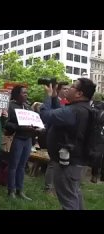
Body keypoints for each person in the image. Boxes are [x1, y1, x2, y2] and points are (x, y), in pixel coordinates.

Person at [40, 78, 96, 210]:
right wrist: (54, 97)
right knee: (74, 194)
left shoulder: (74, 111)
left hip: (67, 164)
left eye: (72, 87)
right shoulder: (83, 109)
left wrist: (47, 97)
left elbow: (45, 115)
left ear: (79, 94)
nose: (69, 88)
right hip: (77, 161)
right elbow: (60, 113)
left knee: (68, 201)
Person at [5, 85, 37, 200]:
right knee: (13, 165)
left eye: (26, 93)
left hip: (27, 139)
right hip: (17, 138)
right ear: (17, 94)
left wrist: (36, 128)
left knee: (22, 166)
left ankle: (20, 189)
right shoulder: (10, 106)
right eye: (24, 93)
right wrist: (19, 127)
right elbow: (6, 123)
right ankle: (11, 190)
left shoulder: (28, 107)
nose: (26, 94)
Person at [44, 82, 69, 193]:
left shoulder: (66, 103)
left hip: (63, 137)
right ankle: (48, 187)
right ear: (58, 90)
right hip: (53, 136)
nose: (67, 91)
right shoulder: (56, 101)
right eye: (64, 88)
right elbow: (47, 115)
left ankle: (57, 186)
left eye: (68, 88)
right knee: (53, 163)